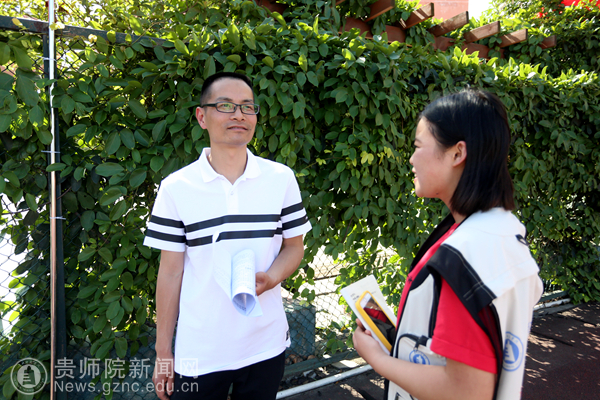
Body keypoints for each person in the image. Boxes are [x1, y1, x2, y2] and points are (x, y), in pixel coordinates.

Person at [352, 89, 543, 400]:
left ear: (457, 153)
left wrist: (377, 358)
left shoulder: (466, 254)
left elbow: (466, 390)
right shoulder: (503, 230)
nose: (411, 159)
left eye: (418, 146)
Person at [143, 71, 312, 400]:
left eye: (247, 106)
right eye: (225, 105)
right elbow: (171, 271)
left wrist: (271, 278)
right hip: (201, 351)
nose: (239, 115)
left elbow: (294, 247)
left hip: (266, 345)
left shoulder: (280, 179)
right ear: (201, 116)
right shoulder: (177, 188)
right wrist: (164, 352)